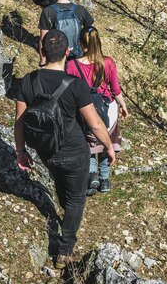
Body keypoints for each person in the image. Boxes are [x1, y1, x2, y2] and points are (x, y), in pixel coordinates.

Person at [15, 29, 115, 269]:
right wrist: (109, 147)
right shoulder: (76, 86)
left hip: (46, 151)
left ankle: (67, 214)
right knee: (76, 199)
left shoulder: (27, 81)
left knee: (63, 187)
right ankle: (65, 249)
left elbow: (19, 121)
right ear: (68, 52)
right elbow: (95, 124)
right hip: (73, 151)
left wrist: (21, 151)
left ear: (42, 52)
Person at [66, 26, 129, 195]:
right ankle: (105, 180)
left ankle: (92, 175)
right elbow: (115, 89)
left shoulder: (72, 65)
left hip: (83, 109)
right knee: (105, 140)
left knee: (88, 143)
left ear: (80, 43)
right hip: (107, 107)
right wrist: (123, 105)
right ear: (98, 41)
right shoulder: (107, 62)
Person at [38, 0, 94, 66]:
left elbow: (43, 40)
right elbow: (92, 34)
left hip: (57, 60)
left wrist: (43, 62)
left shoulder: (48, 11)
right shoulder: (80, 10)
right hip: (78, 59)